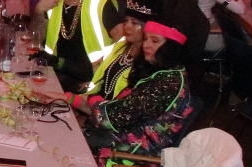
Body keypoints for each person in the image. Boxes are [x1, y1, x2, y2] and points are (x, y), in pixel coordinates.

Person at [82, 20, 194, 154]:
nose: (146, 45)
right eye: (145, 39)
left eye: (155, 41)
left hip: (133, 154)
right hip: (121, 141)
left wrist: (91, 100)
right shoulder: (162, 72)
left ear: (171, 47)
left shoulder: (169, 82)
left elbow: (113, 118)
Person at [40, 0, 121, 95]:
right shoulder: (54, 2)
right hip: (56, 74)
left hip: (90, 81)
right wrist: (38, 11)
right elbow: (34, 38)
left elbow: (123, 42)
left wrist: (105, 68)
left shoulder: (101, 4)